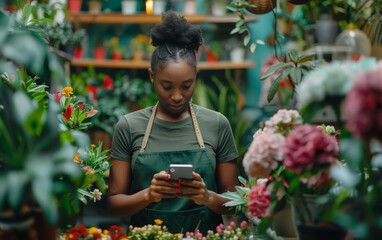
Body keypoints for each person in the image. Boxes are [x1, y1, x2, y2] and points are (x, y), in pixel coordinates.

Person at [108, 11, 239, 234]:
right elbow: (113, 205)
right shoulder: (129, 126)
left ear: (196, 77)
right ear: (152, 76)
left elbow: (236, 204)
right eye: (167, 86)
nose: (177, 96)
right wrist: (149, 195)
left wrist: (206, 197)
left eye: (186, 86)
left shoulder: (217, 124)